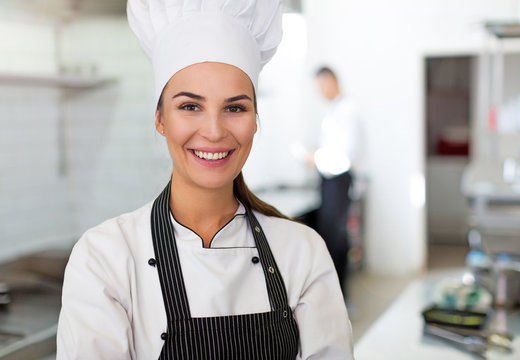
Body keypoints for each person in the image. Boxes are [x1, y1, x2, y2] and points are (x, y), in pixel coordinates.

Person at [56, 1, 353, 359]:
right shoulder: (105, 259)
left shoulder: (302, 253)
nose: (213, 132)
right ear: (160, 118)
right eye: (190, 106)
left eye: (235, 108)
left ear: (255, 120)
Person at [309, 66, 361, 296]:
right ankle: (336, 293)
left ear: (332, 81)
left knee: (335, 238)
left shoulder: (346, 111)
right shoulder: (335, 110)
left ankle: (339, 294)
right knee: (332, 236)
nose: (320, 90)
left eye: (322, 84)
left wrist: (316, 159)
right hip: (331, 180)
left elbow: (345, 156)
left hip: (338, 180)